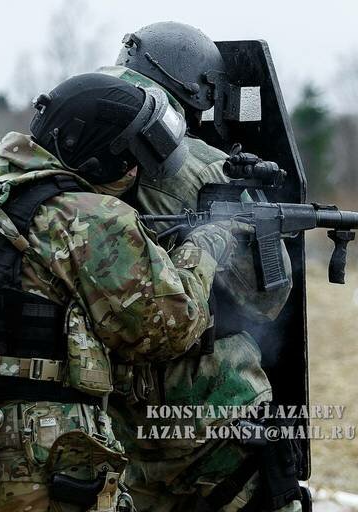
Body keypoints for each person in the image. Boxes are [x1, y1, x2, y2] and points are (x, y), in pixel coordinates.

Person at [0, 72, 248, 512]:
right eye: (130, 162)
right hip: (39, 468)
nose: (133, 174)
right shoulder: (85, 217)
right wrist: (203, 245)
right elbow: (171, 328)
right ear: (99, 160)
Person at [96, 21, 304, 512]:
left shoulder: (73, 150)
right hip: (204, 408)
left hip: (107, 406)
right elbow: (266, 297)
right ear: (200, 89)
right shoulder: (205, 168)